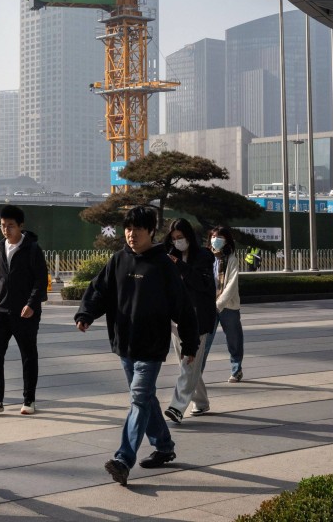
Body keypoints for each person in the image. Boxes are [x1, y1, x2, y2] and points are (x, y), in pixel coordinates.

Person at [75, 206, 198, 486]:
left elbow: (182, 306)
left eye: (138, 229)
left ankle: (123, 460)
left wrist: (190, 344)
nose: (131, 234)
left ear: (151, 231)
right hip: (125, 344)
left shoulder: (163, 265)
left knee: (139, 399)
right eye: (128, 229)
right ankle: (164, 446)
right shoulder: (118, 260)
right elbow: (99, 290)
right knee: (146, 398)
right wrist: (86, 314)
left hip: (151, 347)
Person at [0, 204, 48, 417]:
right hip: (1, 311)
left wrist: (31, 304)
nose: (6, 230)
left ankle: (29, 399)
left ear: (20, 226)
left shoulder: (32, 249)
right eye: (3, 225)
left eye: (10, 226)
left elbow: (40, 280)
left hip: (25, 312)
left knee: (28, 355)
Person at [188, 226, 246, 418]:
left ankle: (236, 369)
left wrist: (218, 305)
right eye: (213, 236)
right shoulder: (205, 257)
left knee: (234, 338)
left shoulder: (231, 259)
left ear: (227, 239)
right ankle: (198, 377)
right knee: (204, 343)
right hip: (208, 307)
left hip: (228, 306)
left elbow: (231, 285)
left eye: (219, 237)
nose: (215, 239)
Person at [162, 218, 216, 424]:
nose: (178, 241)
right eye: (174, 238)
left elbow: (202, 284)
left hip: (198, 318)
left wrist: (180, 266)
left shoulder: (203, 256)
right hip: (177, 319)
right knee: (186, 364)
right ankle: (201, 402)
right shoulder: (169, 255)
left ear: (189, 237)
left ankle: (177, 407)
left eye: (181, 237)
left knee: (189, 363)